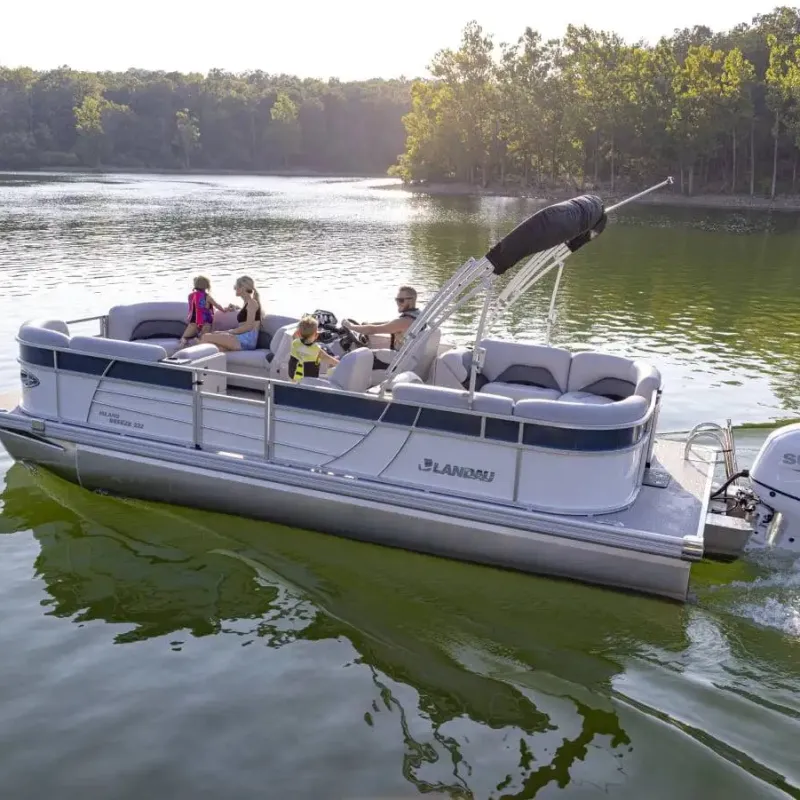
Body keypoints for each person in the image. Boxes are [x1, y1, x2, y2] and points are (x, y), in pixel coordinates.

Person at [342, 285, 420, 351]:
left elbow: (372, 330)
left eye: (401, 300)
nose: (398, 303)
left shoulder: (404, 321)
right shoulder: (417, 315)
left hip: (398, 360)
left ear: (411, 300)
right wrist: (370, 324)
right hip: (406, 355)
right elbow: (391, 323)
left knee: (361, 355)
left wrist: (350, 326)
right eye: (396, 300)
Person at [199, 275, 262, 352]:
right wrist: (236, 307)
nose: (234, 288)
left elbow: (248, 326)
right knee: (214, 349)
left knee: (206, 337)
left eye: (236, 286)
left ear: (242, 288)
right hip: (242, 339)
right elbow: (247, 315)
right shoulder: (247, 303)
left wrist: (227, 332)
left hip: (246, 340)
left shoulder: (252, 303)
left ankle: (191, 359)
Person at [178, 275, 226, 349]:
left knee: (184, 337)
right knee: (203, 337)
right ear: (206, 286)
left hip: (194, 320)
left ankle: (183, 342)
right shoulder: (207, 296)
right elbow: (217, 306)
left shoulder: (190, 296)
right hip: (206, 321)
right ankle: (199, 340)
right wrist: (225, 310)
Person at [289, 315, 339, 382]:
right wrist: (341, 364)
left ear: (298, 333)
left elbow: (295, 334)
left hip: (293, 381)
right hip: (309, 384)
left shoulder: (295, 343)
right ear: (316, 335)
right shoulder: (316, 350)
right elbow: (329, 359)